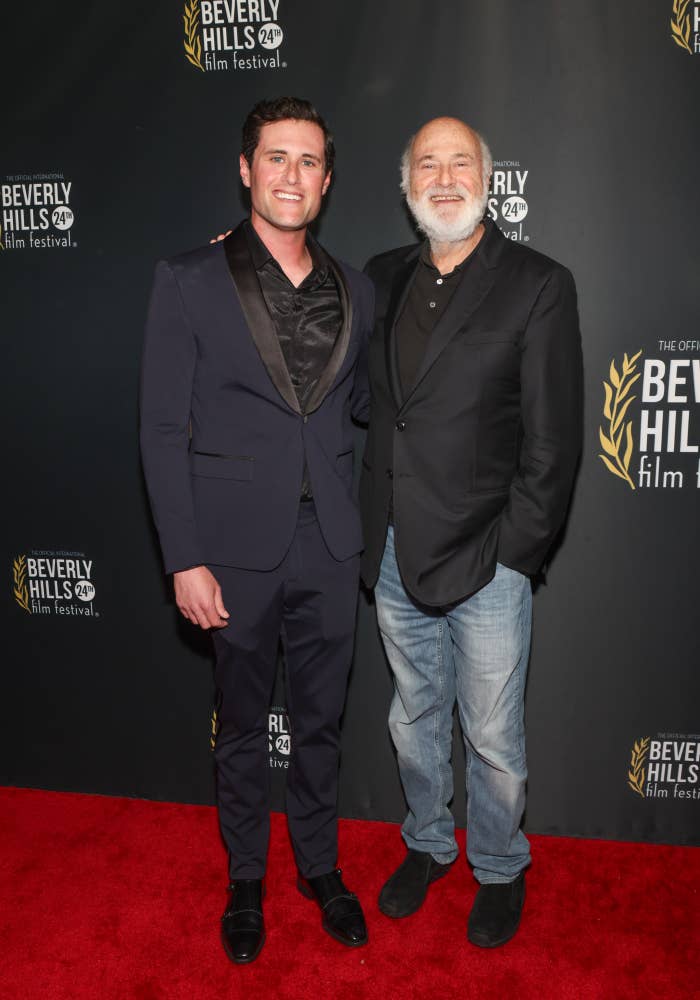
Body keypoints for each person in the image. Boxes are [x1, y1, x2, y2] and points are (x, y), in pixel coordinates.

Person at [140, 96, 373, 964]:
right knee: (240, 723)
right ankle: (246, 877)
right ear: (246, 170)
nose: (292, 175)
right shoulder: (188, 278)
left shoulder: (359, 288)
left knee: (321, 722)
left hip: (331, 544)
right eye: (277, 157)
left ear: (327, 180)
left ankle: (318, 866)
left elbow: (359, 407)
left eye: (309, 161)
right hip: (232, 547)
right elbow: (162, 429)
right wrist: (184, 557)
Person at [360, 117, 582, 947]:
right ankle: (426, 843)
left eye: (461, 163)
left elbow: (554, 442)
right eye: (429, 164)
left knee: (491, 732)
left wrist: (514, 556)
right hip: (393, 548)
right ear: (407, 183)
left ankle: (497, 863)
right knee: (413, 716)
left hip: (488, 554)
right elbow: (315, 334)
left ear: (487, 180)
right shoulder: (380, 276)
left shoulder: (537, 282)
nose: (445, 177)